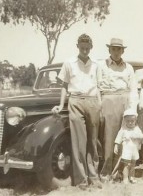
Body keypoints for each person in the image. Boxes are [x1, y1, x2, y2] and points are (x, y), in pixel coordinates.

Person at [51, 34, 102, 188]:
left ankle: (94, 177)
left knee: (93, 142)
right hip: (75, 101)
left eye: (87, 48)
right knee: (80, 142)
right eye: (82, 47)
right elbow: (64, 86)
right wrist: (61, 105)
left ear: (91, 47)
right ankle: (82, 179)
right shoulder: (69, 63)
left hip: (92, 101)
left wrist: (99, 105)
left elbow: (99, 87)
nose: (85, 50)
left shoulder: (96, 64)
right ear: (78, 46)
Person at [98, 38, 138, 181]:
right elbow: (97, 87)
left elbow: (133, 88)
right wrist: (100, 106)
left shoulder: (128, 67)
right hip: (108, 100)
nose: (116, 52)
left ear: (123, 51)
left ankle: (121, 172)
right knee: (109, 139)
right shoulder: (101, 65)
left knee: (125, 138)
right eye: (113, 49)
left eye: (119, 49)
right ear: (109, 50)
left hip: (125, 101)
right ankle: (107, 172)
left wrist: (132, 108)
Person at [113, 109, 143, 184]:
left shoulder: (136, 129)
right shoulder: (123, 129)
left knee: (133, 165)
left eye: (132, 121)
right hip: (126, 151)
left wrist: (136, 136)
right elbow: (118, 138)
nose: (130, 123)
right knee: (126, 165)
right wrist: (116, 145)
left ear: (135, 120)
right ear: (125, 121)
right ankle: (125, 178)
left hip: (134, 150)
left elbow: (141, 136)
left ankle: (131, 177)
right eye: (128, 121)